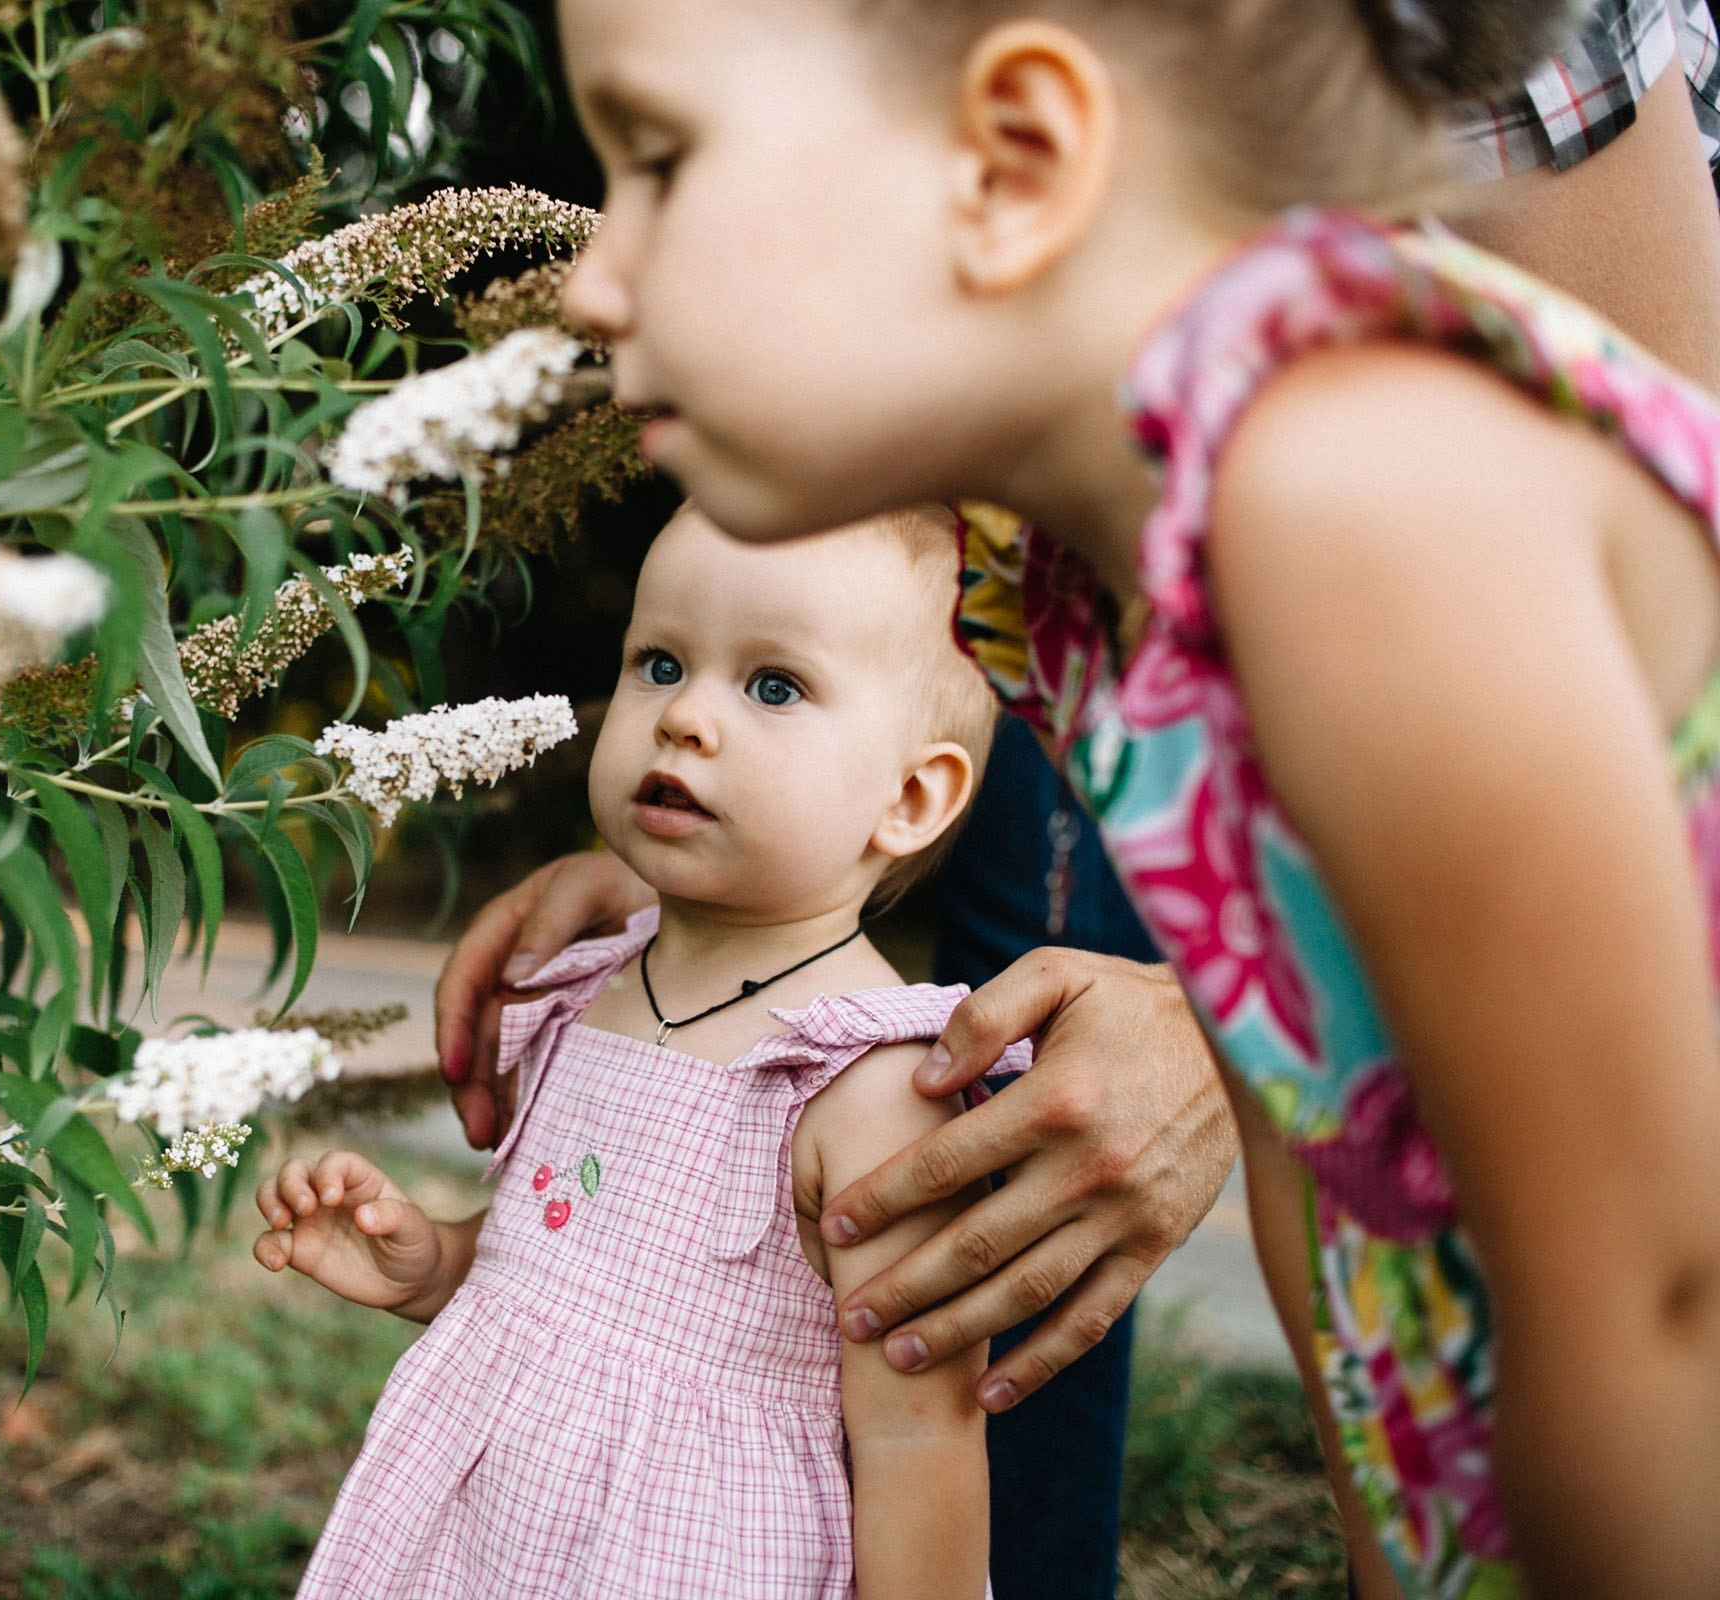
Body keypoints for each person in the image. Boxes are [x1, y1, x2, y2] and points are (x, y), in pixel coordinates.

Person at [529, 0, 1720, 1595]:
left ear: (1016, 161)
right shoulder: (1086, 590)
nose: (594, 280)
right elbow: (1363, 1222)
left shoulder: (1352, 505)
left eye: (662, 160)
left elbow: (1656, 1311)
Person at [257, 506, 1023, 1597]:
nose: (686, 718)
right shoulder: (591, 985)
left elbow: (920, 1440)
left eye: (772, 686)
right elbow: (557, 1267)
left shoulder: (875, 1085)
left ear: (909, 798)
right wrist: (433, 1260)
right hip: (495, 1546)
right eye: (660, 663)